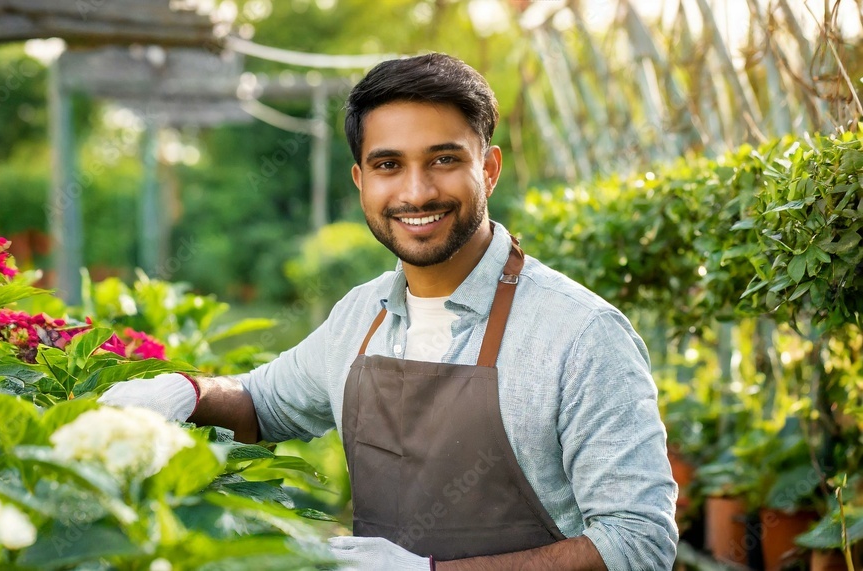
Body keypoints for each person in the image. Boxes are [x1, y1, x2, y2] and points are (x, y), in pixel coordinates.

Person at [100, 53, 678, 570]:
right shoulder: (363, 312)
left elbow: (637, 542)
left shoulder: (581, 334)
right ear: (360, 182)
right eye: (388, 165)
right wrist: (185, 394)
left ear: (490, 168)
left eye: (444, 159)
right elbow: (265, 404)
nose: (416, 192)